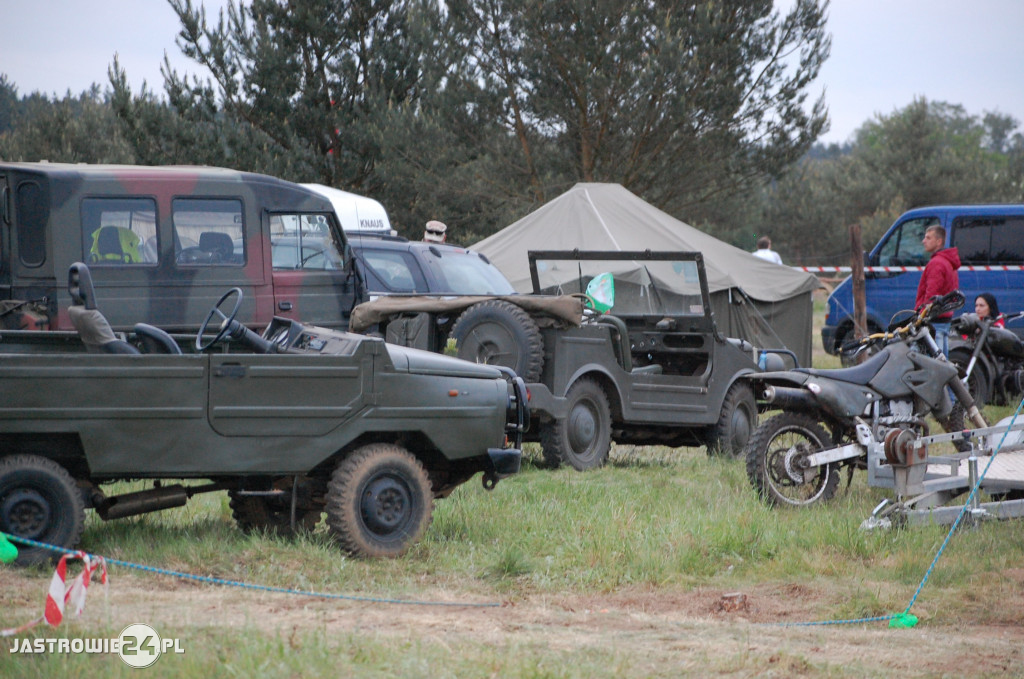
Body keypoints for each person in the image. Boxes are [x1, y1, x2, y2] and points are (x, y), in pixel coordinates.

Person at [914, 223, 960, 355]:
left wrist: (921, 316)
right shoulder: (949, 262)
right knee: (943, 361)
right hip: (945, 319)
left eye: (928, 238)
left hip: (934, 321)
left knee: (933, 365)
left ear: (939, 241)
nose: (924, 241)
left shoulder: (937, 263)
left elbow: (931, 295)